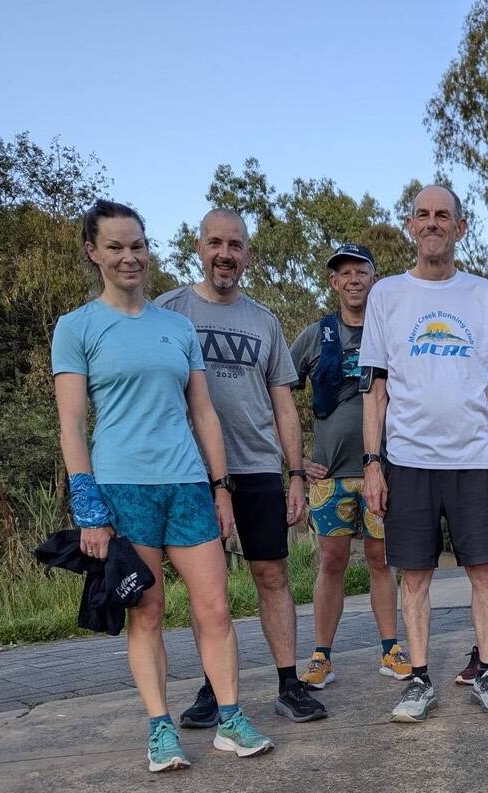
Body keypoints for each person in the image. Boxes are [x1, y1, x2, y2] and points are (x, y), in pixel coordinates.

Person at [52, 200, 273, 772]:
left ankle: (230, 718)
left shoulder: (177, 326)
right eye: (117, 247)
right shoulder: (77, 328)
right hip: (124, 489)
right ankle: (160, 729)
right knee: (146, 611)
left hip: (187, 485)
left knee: (216, 608)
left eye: (138, 246)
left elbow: (203, 414)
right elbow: (72, 425)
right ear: (93, 252)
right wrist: (88, 506)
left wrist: (221, 488)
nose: (130, 258)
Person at [155, 208, 326, 724]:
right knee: (208, 587)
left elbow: (284, 407)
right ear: (198, 246)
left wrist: (295, 475)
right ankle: (214, 688)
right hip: (190, 471)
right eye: (215, 243)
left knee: (271, 575)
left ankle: (289, 684)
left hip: (256, 469)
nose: (225, 254)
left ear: (247, 254)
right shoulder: (167, 312)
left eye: (235, 245)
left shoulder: (264, 321)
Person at [360, 184, 488, 722]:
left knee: (486, 571)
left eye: (443, 215)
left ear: (460, 227)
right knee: (415, 576)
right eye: (423, 215)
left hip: (476, 460)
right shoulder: (386, 295)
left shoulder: (484, 295)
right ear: (411, 226)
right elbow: (377, 391)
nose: (433, 223)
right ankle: (419, 680)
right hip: (408, 461)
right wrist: (373, 464)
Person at [288, 243, 412, 689]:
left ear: (374, 278)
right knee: (331, 561)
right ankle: (321, 655)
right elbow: (277, 394)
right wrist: (296, 461)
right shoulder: (314, 336)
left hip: (383, 472)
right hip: (329, 476)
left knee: (382, 560)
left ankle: (390, 648)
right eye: (345, 272)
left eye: (362, 270)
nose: (354, 279)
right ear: (334, 282)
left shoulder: (393, 332)